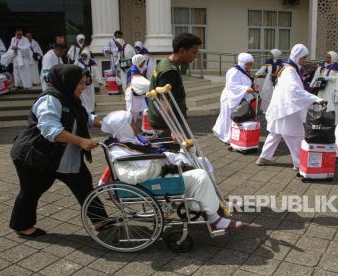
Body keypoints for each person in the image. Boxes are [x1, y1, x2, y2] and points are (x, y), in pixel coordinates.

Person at [100, 111, 246, 230]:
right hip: (153, 178)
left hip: (161, 169)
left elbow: (148, 149)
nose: (135, 123)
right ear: (123, 128)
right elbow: (127, 175)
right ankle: (214, 219)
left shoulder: (130, 140)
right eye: (131, 122)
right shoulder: (118, 150)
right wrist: (156, 164)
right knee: (200, 175)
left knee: (202, 162)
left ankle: (218, 202)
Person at [9, 64, 109, 237]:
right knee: (32, 190)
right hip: (35, 156)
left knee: (83, 184)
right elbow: (50, 130)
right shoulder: (50, 99)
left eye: (85, 83)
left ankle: (100, 220)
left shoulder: (70, 98)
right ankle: (22, 225)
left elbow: (85, 117)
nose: (83, 87)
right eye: (80, 83)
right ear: (67, 82)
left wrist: (110, 123)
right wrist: (81, 141)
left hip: (63, 156)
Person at [257, 44, 324, 169]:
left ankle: (264, 157)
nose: (304, 60)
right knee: (296, 135)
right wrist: (315, 99)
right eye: (303, 57)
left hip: (282, 106)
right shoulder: (289, 70)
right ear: (297, 56)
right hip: (287, 109)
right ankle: (299, 164)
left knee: (275, 133)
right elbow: (294, 90)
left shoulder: (289, 68)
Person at [147, 33, 202, 138]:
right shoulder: (169, 71)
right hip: (166, 123)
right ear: (182, 51)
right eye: (193, 53)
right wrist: (175, 130)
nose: (195, 56)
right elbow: (165, 102)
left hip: (162, 119)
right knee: (179, 151)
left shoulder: (165, 62)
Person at [212, 53, 255, 144]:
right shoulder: (234, 71)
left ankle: (231, 135)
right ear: (242, 62)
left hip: (237, 97)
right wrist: (246, 88)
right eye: (248, 64)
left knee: (231, 117)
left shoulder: (243, 71)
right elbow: (232, 86)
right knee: (228, 118)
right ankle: (227, 137)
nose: (250, 66)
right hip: (229, 98)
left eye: (251, 64)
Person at [310, 51, 338, 124]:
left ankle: (332, 122)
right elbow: (316, 76)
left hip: (331, 89)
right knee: (321, 102)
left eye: (329, 57)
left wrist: (328, 78)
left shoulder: (336, 67)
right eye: (326, 57)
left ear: (333, 58)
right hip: (321, 89)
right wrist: (312, 85)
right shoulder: (321, 66)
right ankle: (321, 120)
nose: (327, 59)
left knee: (330, 104)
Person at [125, 54, 149, 121]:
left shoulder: (137, 69)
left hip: (137, 95)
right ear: (138, 62)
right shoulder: (133, 70)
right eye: (143, 63)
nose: (144, 64)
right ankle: (130, 129)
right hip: (132, 95)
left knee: (144, 111)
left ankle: (139, 128)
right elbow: (137, 80)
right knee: (132, 115)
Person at [75, 49, 97, 114]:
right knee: (82, 97)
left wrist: (90, 77)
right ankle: (83, 110)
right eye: (82, 55)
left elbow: (95, 74)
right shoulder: (77, 62)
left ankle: (91, 110)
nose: (83, 57)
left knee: (90, 98)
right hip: (81, 83)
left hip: (89, 85)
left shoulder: (92, 63)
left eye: (85, 56)